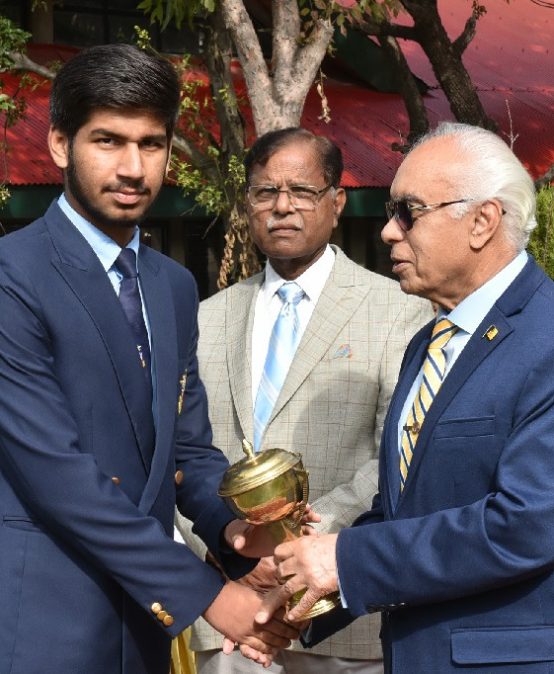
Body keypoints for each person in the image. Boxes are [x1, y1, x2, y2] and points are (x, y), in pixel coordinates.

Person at [0, 44, 299, 674]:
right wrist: (211, 596)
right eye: (108, 141)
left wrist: (235, 533)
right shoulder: (13, 277)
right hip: (43, 626)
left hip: (143, 633)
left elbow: (186, 449)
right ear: (60, 144)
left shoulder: (172, 285)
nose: (133, 168)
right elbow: (57, 474)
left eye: (152, 144)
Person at [256, 121, 554, 673]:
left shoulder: (546, 338)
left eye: (408, 212)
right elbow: (406, 510)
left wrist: (346, 560)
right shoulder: (430, 341)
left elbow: (529, 524)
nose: (388, 232)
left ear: (483, 221)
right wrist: (309, 598)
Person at [176, 127, 433, 674]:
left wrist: (298, 548)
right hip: (232, 615)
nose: (282, 207)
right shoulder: (205, 318)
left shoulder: (400, 311)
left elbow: (398, 458)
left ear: (336, 203)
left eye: (302, 191)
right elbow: (182, 457)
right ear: (247, 203)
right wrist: (230, 553)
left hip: (341, 612)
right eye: (266, 192)